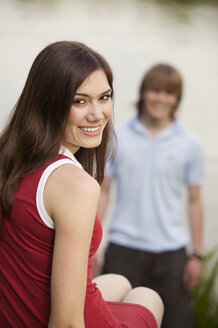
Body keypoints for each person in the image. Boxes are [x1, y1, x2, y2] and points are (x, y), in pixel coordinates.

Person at [0, 41, 164, 328]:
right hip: (60, 318)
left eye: (104, 97)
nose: (97, 114)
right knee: (148, 297)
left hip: (17, 310)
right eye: (79, 101)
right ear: (48, 102)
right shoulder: (76, 186)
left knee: (119, 281)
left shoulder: (9, 157)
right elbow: (65, 322)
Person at [98, 63, 204, 328]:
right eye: (155, 90)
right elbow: (103, 191)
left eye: (169, 93)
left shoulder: (190, 144)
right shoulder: (115, 135)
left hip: (171, 253)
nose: (161, 98)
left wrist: (197, 255)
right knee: (110, 321)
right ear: (144, 92)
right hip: (123, 248)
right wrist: (91, 245)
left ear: (176, 99)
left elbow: (194, 201)